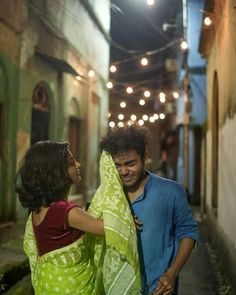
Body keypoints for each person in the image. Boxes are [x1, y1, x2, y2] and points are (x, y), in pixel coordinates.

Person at [16, 140, 141, 295]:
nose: (78, 164)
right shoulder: (65, 211)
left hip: (49, 282)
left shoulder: (39, 209)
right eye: (71, 162)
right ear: (56, 171)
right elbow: (112, 228)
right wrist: (127, 219)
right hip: (70, 285)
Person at [100, 125, 199, 295]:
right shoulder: (106, 196)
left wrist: (172, 273)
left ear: (145, 157)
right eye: (117, 165)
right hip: (117, 289)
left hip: (158, 288)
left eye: (130, 164)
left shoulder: (171, 191)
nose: (124, 171)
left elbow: (188, 232)